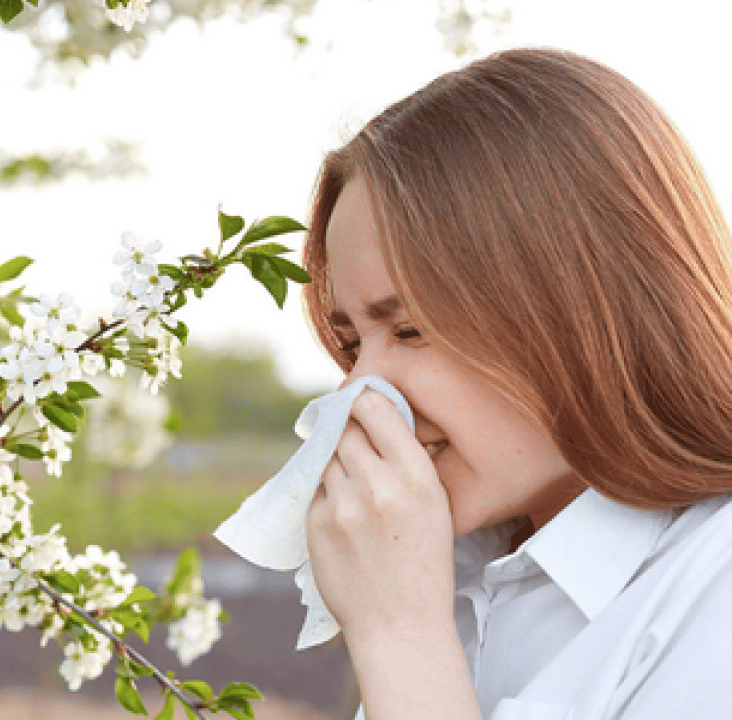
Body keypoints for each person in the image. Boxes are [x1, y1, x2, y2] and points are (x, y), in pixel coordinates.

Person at [301, 47, 732, 720]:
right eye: (351, 344)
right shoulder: (448, 576)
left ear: (583, 310)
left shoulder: (711, 586)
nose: (360, 390)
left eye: (409, 330)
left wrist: (401, 643)